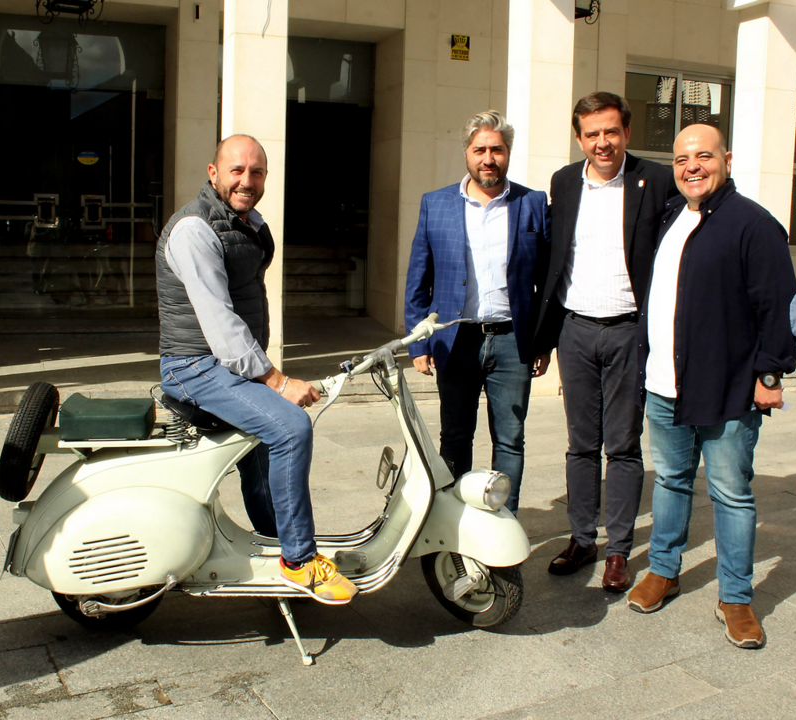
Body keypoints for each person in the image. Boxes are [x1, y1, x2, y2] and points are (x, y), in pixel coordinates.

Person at [156, 134, 357, 605]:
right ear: (213, 173)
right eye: (237, 171)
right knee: (290, 428)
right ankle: (300, 562)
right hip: (194, 365)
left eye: (257, 172)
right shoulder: (194, 229)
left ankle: (275, 551)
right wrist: (277, 381)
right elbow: (219, 321)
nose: (247, 180)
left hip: (220, 362)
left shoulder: (247, 222)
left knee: (264, 459)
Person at [626, 124, 796, 649]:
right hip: (663, 383)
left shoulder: (753, 223)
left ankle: (737, 598)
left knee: (731, 494)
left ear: (727, 158)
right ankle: (664, 571)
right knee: (672, 482)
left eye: (704, 156)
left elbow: (780, 304)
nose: (692, 166)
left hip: (726, 387)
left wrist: (771, 374)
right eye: (682, 159)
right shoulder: (670, 217)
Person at [533, 92, 679, 592]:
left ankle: (618, 549)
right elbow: (555, 259)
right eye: (592, 134)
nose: (602, 143)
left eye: (611, 132)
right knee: (580, 444)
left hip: (628, 330)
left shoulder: (656, 180)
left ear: (627, 134)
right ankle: (581, 537)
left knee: (622, 444)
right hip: (575, 329)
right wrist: (544, 338)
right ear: (579, 138)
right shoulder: (563, 182)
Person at [404, 110, 550, 514]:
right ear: (467, 153)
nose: (489, 158)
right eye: (480, 149)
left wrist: (543, 341)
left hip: (512, 342)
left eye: (497, 150)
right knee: (454, 437)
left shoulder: (533, 204)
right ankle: (453, 520)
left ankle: (505, 519)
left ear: (508, 154)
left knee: (509, 440)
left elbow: (545, 281)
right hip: (457, 340)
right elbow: (419, 276)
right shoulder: (436, 204)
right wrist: (418, 344)